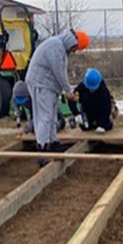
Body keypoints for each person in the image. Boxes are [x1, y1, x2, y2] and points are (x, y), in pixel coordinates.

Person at [23, 28, 90, 163]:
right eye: (75, 48)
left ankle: (52, 143)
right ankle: (42, 148)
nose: (74, 51)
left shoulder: (59, 47)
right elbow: (59, 72)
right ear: (73, 42)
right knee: (44, 117)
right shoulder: (55, 46)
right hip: (40, 84)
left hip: (48, 85)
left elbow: (59, 72)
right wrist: (68, 91)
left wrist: (65, 89)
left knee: (52, 116)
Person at [72, 68, 115, 133]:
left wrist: (101, 124)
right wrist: (76, 114)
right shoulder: (81, 87)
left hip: (100, 112)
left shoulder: (104, 91)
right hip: (87, 112)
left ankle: (102, 124)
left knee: (106, 125)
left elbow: (106, 109)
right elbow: (72, 98)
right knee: (85, 127)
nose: (91, 90)